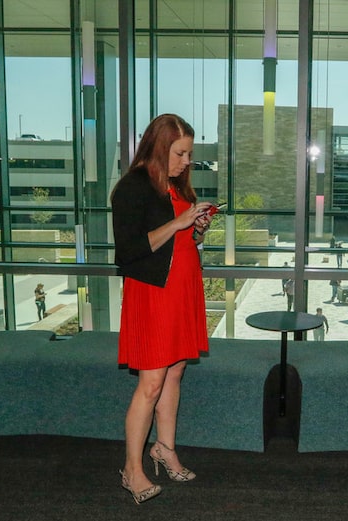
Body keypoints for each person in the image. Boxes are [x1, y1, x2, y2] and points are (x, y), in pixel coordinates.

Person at [110, 114, 214, 505]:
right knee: (151, 384)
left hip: (182, 289)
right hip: (154, 293)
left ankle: (164, 448)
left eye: (188, 153)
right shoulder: (131, 188)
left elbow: (182, 237)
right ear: (159, 147)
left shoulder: (173, 183)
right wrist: (179, 222)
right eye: (180, 153)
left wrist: (196, 226)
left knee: (175, 373)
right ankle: (131, 470)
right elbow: (130, 251)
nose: (186, 161)